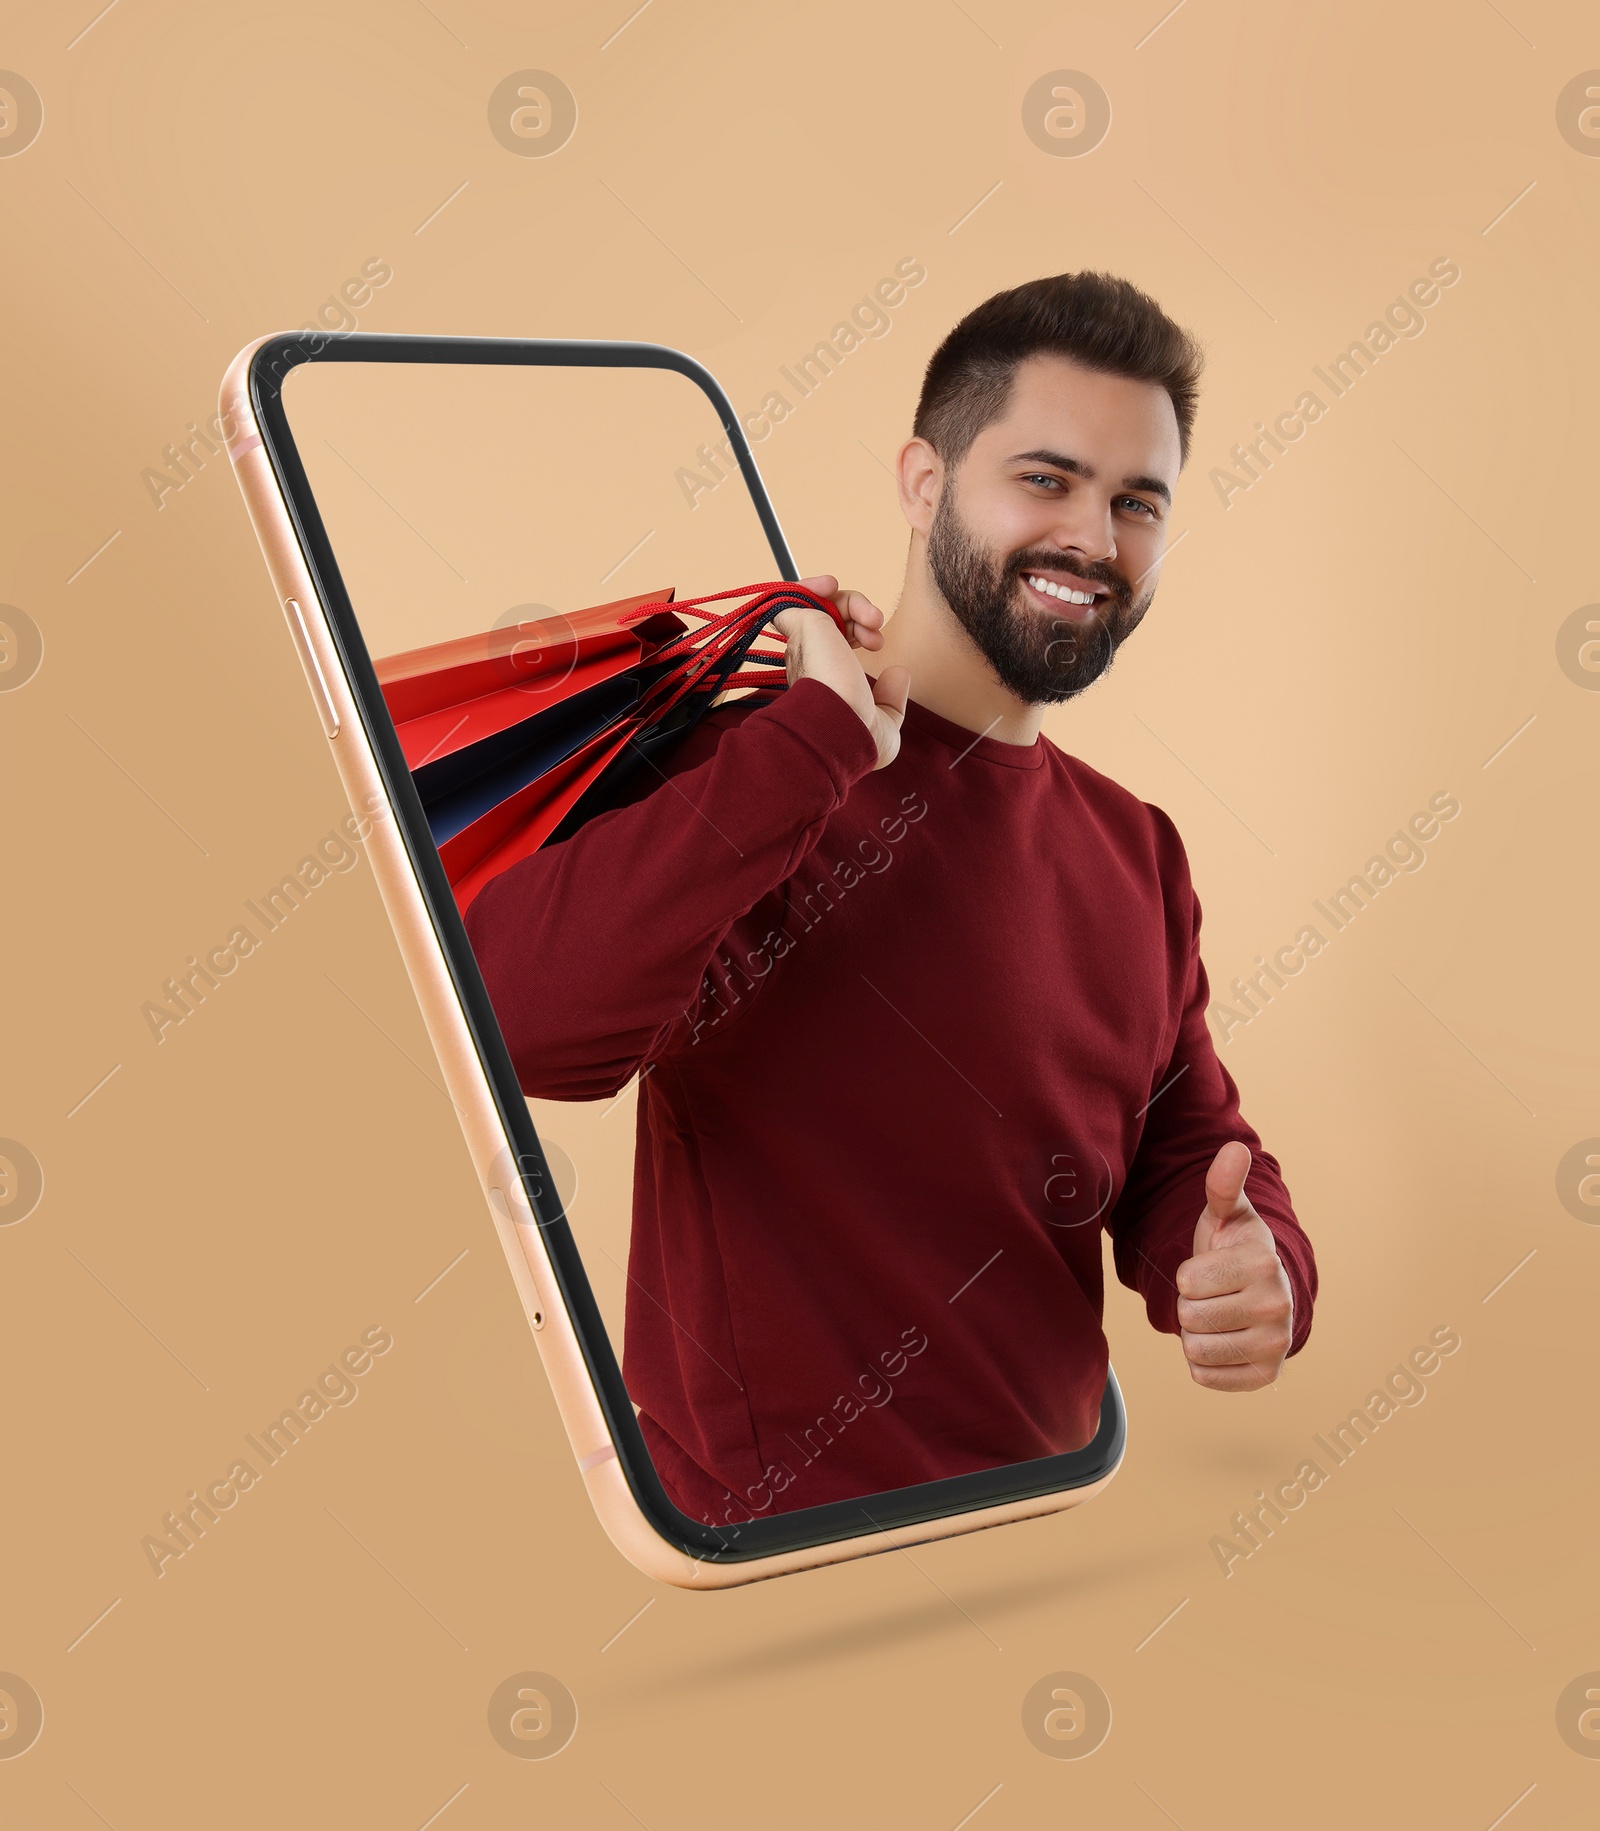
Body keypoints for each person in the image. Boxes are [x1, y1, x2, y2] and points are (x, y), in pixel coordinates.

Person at [464, 271, 1318, 1527]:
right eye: (1045, 477)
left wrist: (1255, 1265)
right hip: (768, 1556)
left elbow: (1177, 1143)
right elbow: (518, 1027)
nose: (1093, 536)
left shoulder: (1137, 847)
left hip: (1046, 1521)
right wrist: (809, 744)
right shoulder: (751, 766)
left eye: (1137, 501)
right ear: (923, 483)